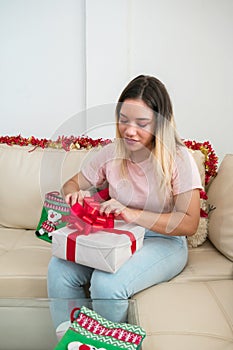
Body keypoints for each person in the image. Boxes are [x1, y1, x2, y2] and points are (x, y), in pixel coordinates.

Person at [47, 75, 202, 324]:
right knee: (59, 270)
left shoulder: (179, 159)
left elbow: (189, 223)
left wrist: (132, 213)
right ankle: (71, 341)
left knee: (107, 284)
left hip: (163, 241)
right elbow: (71, 184)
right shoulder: (111, 152)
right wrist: (74, 193)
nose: (129, 130)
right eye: (123, 120)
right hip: (117, 236)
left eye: (142, 123)